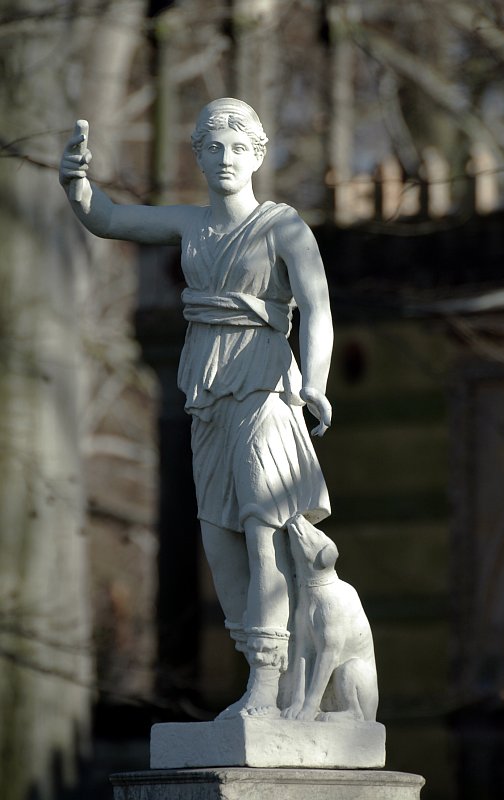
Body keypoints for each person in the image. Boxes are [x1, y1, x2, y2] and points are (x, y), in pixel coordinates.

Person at [60, 98, 333, 718]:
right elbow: (108, 219)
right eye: (214, 147)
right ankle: (264, 669)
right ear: (199, 155)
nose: (227, 158)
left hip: (264, 382)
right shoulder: (191, 222)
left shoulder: (283, 226)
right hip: (207, 387)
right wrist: (75, 183)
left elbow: (316, 306)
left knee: (266, 525)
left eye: (239, 148)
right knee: (218, 534)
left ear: (259, 154)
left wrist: (313, 381)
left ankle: (270, 678)